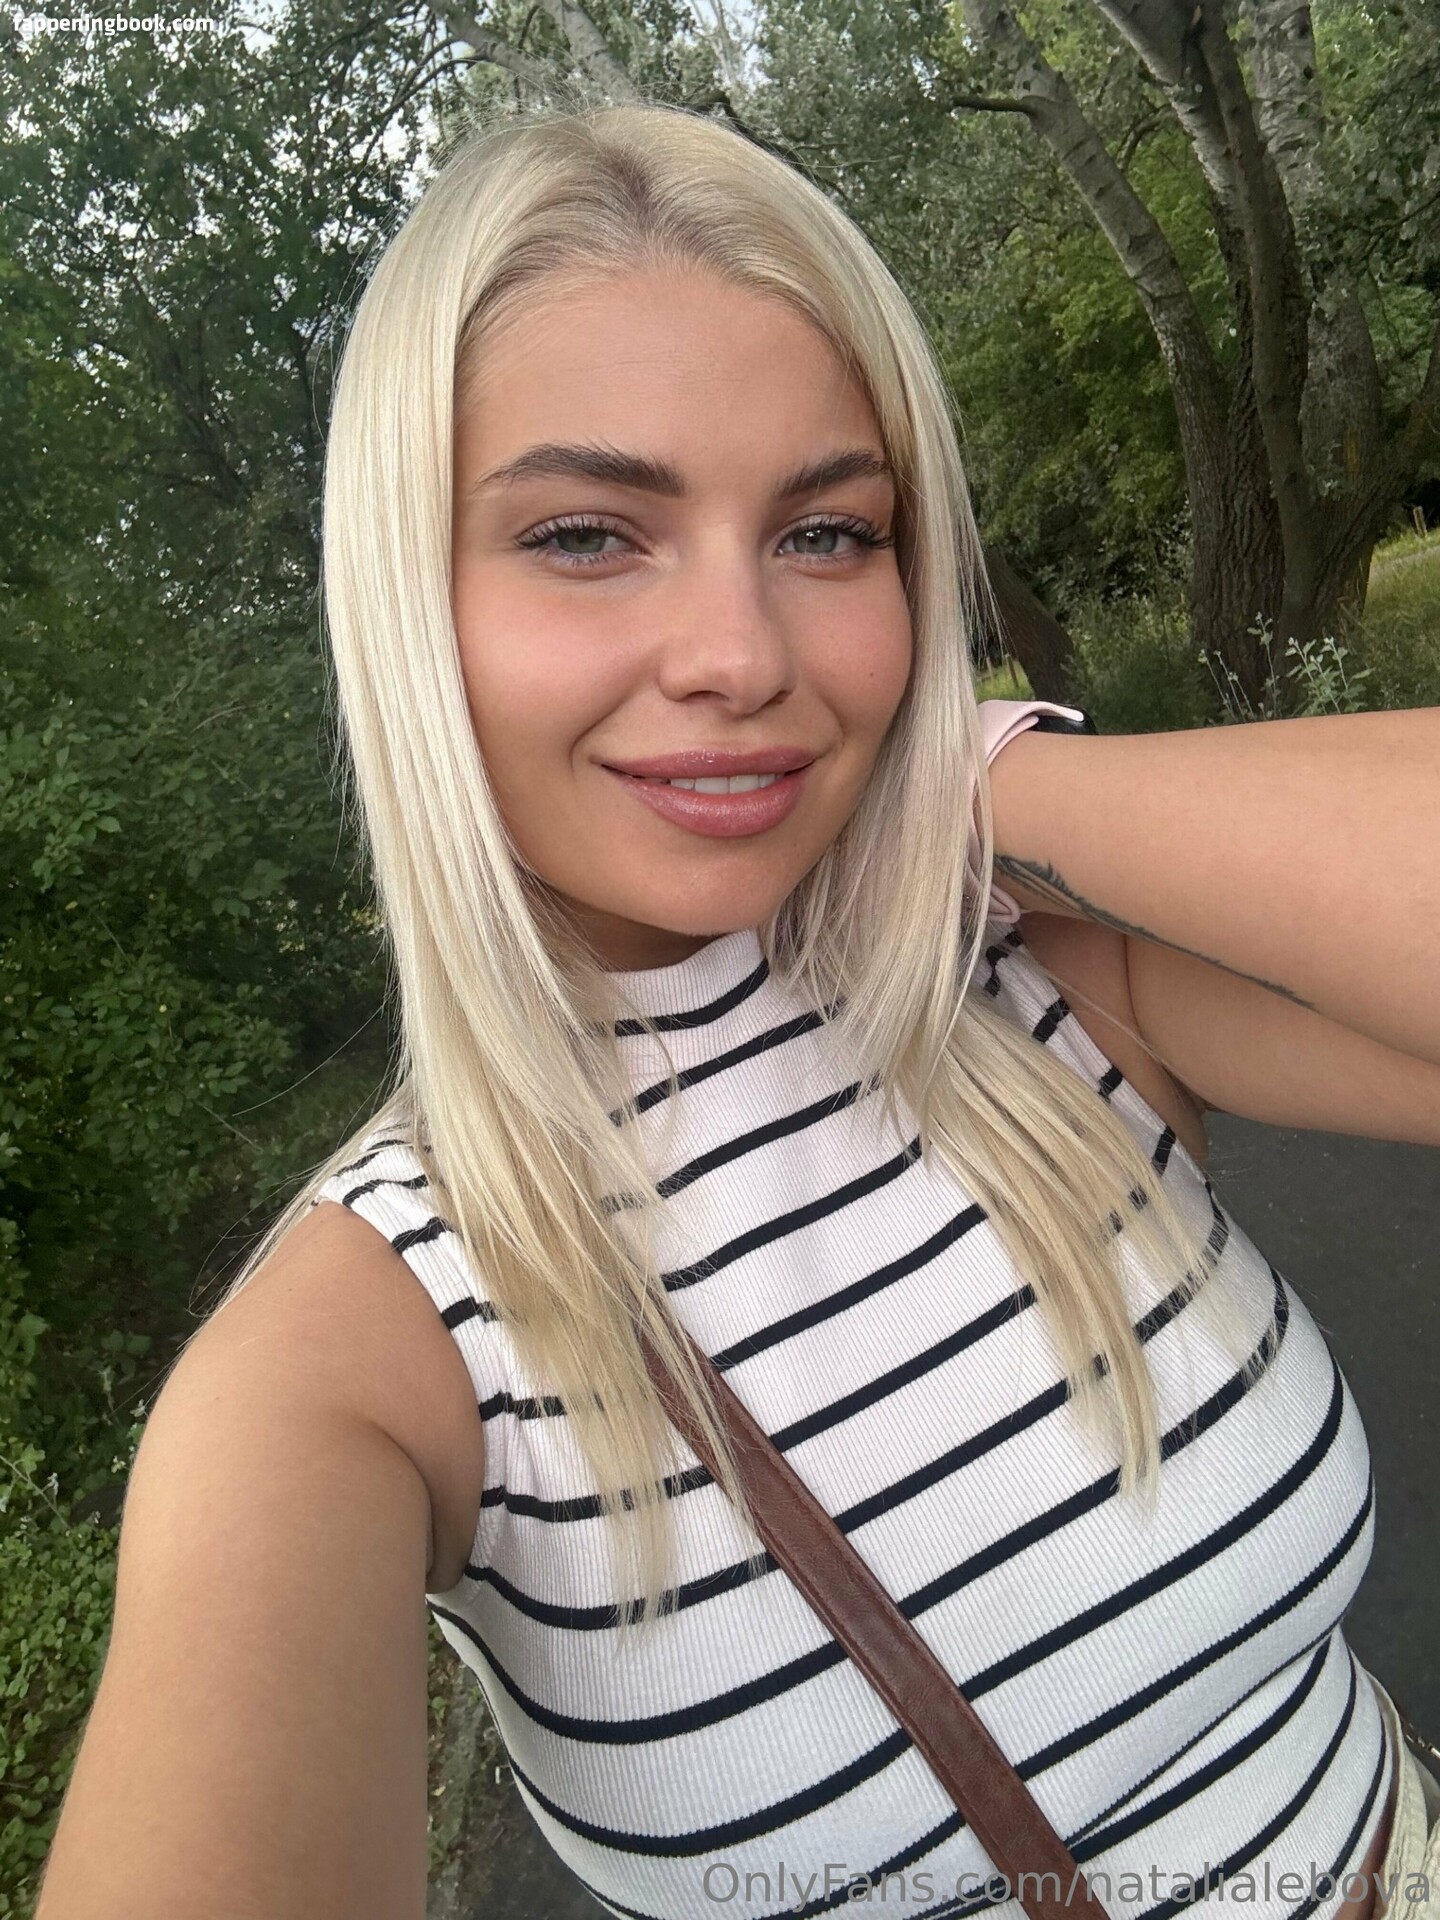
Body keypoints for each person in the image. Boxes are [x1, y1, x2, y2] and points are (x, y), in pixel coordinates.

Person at [36, 99, 1440, 1920]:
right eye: (585, 535)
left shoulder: (1032, 999)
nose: (742, 656)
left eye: (830, 534)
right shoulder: (357, 1362)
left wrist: (973, 778)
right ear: (408, 608)